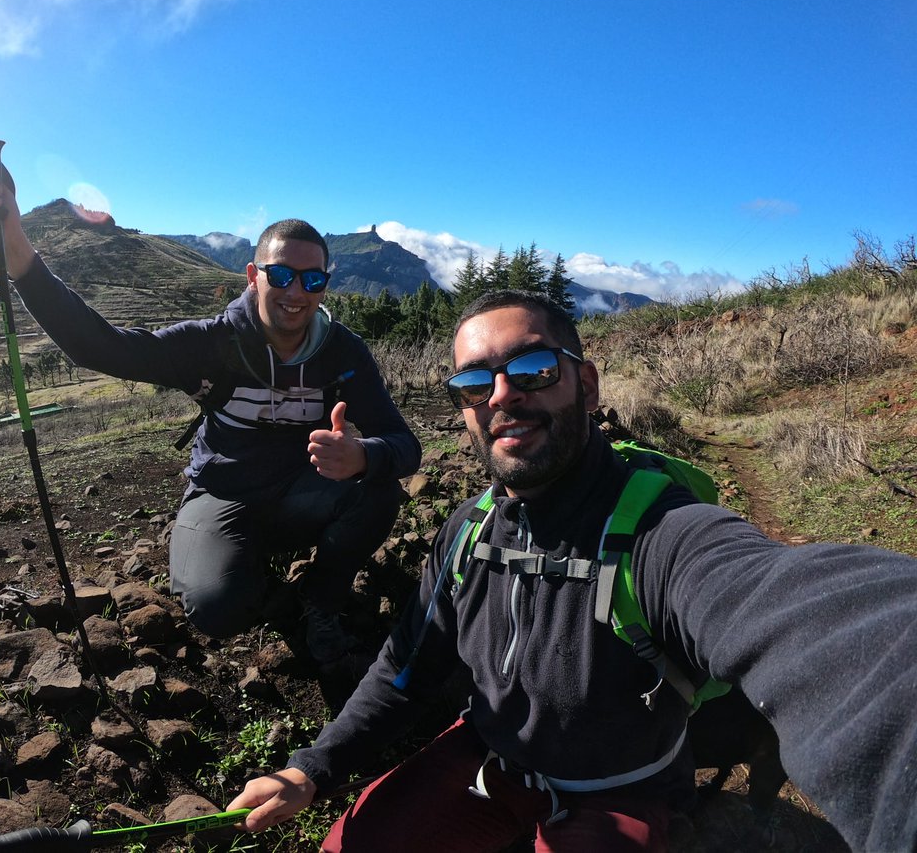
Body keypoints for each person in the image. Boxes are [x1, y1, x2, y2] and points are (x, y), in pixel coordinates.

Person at [229, 289, 917, 852]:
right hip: (490, 759)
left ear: (585, 385)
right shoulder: (469, 530)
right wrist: (311, 768)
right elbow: (406, 666)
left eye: (532, 371)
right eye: (474, 383)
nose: (500, 395)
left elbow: (801, 607)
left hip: (621, 787)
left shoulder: (662, 533)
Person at [0, 174, 421, 666]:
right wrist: (17, 255)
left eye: (313, 280)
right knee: (215, 609)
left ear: (324, 284)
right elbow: (98, 346)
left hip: (302, 495)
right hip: (224, 492)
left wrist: (361, 456)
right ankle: (263, 587)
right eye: (281, 275)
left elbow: (404, 445)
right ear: (253, 276)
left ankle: (321, 599)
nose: (297, 291)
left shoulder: (343, 352)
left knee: (377, 489)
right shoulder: (210, 343)